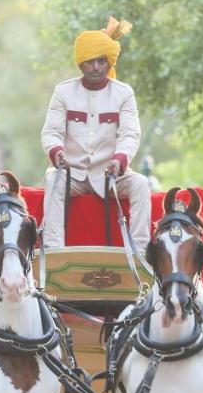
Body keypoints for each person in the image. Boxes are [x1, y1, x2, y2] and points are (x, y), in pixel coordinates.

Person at [40, 16, 151, 252]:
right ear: (81, 64)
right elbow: (51, 132)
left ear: (109, 63)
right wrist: (57, 152)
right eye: (91, 62)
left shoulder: (123, 94)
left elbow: (130, 134)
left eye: (102, 61)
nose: (97, 67)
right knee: (52, 180)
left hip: (111, 176)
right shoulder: (63, 92)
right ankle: (53, 252)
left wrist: (120, 160)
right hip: (74, 175)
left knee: (141, 184)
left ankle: (141, 253)